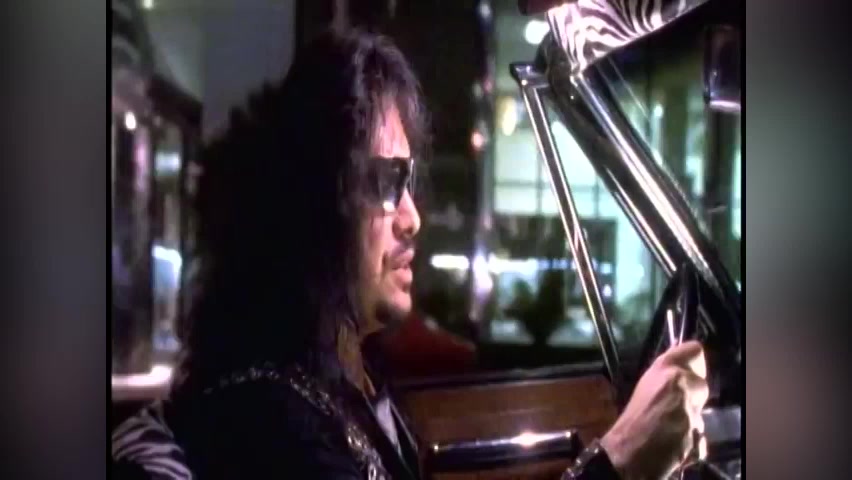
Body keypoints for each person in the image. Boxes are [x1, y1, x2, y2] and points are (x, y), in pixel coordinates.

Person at [112, 28, 708, 480]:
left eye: (409, 180)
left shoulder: (335, 384)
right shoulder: (267, 418)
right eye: (385, 182)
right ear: (316, 201)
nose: (412, 218)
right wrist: (618, 463)